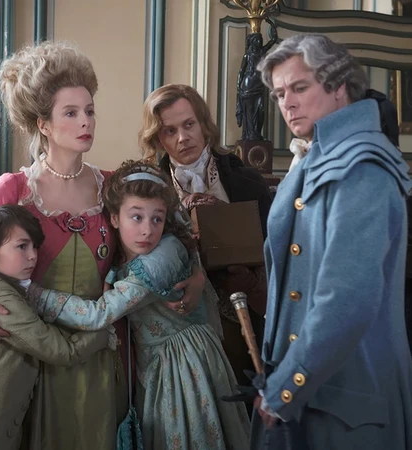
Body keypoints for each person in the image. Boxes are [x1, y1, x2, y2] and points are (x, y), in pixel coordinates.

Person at [0, 42, 203, 450]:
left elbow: (177, 233)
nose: (86, 121)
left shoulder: (113, 186)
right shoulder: (15, 188)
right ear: (43, 124)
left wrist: (195, 275)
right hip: (39, 357)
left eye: (89, 111)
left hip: (105, 352)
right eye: (71, 113)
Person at [250, 34, 412, 449]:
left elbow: (347, 298)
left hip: (350, 402)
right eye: (280, 93)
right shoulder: (314, 158)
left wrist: (286, 387)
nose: (287, 103)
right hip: (308, 396)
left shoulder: (362, 167)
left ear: (339, 86)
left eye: (299, 87)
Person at [26, 160, 251, 449]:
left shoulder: (162, 258)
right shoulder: (127, 254)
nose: (147, 230)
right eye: (137, 217)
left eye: (157, 219)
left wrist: (32, 293)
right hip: (155, 362)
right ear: (115, 218)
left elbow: (99, 314)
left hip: (183, 360)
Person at [139, 83, 273, 388]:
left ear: (203, 125)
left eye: (189, 125)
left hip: (244, 318)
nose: (182, 137)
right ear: (157, 138)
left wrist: (251, 282)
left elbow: (276, 254)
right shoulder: (149, 189)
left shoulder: (247, 181)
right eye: (170, 131)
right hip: (178, 324)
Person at [0, 205, 112, 450]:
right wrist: (106, 332)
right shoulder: (0, 298)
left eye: (34, 247)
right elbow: (61, 351)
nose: (33, 256)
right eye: (22, 246)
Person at [236, 20, 277, 141]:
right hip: (248, 85)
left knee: (260, 110)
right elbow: (241, 71)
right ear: (253, 41)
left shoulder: (262, 51)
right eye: (257, 39)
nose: (259, 41)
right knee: (249, 112)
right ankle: (250, 135)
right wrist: (238, 87)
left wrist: (270, 23)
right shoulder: (247, 55)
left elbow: (274, 39)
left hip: (259, 84)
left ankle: (256, 133)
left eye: (260, 39)